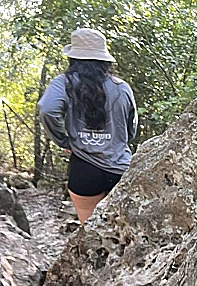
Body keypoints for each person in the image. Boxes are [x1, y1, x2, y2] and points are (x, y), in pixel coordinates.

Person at [37, 28, 138, 224]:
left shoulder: (64, 83)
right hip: (120, 168)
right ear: (104, 59)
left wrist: (64, 141)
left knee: (91, 231)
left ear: (73, 58)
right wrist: (118, 141)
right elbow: (131, 127)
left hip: (84, 168)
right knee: (124, 232)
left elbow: (46, 109)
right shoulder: (122, 87)